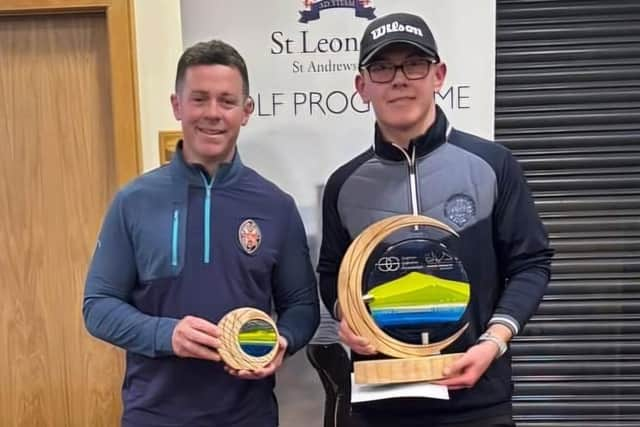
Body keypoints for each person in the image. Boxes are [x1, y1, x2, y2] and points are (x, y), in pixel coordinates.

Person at [317, 12, 553, 427]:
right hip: (379, 402)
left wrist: (493, 342)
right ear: (362, 85)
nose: (399, 79)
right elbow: (331, 273)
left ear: (438, 75)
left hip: (477, 400)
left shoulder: (493, 165)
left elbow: (531, 263)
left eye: (414, 63)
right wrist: (345, 315)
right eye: (382, 66)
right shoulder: (343, 184)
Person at [83, 39, 319, 427]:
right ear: (177, 105)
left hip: (250, 416)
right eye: (199, 99)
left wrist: (285, 341)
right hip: (154, 416)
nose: (213, 113)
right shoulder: (133, 201)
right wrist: (166, 334)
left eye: (226, 101)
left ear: (246, 112)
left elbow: (302, 308)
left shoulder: (277, 206)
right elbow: (98, 306)